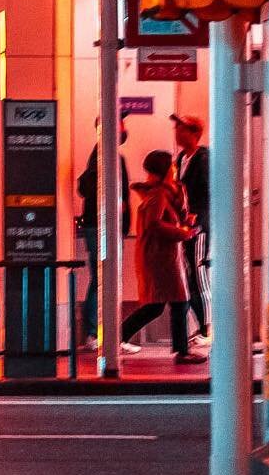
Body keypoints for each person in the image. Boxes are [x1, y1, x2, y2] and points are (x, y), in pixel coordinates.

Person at [119, 149, 205, 365]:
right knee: (176, 302)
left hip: (164, 256)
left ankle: (118, 336)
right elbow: (155, 224)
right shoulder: (158, 194)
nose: (175, 168)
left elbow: (168, 218)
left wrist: (185, 220)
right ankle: (181, 351)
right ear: (166, 169)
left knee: (162, 305)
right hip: (160, 258)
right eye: (172, 165)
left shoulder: (165, 192)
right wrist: (183, 233)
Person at [76, 118, 131, 347]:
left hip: (105, 225)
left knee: (103, 278)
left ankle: (100, 333)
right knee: (102, 278)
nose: (124, 129)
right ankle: (94, 333)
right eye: (119, 123)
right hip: (102, 225)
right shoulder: (103, 156)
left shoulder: (111, 155)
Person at [172, 112, 211, 346]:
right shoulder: (180, 159)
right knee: (189, 274)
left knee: (198, 273)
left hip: (199, 225)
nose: (178, 133)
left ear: (195, 133)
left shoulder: (203, 158)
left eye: (183, 129)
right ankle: (198, 326)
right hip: (186, 223)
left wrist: (195, 214)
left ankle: (206, 327)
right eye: (177, 129)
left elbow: (207, 189)